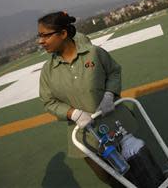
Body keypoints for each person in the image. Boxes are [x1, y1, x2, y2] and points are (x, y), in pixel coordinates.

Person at [38, 11, 137, 188]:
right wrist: (73, 113)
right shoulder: (48, 71)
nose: (40, 41)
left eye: (45, 35)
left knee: (139, 166)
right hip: (85, 137)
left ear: (63, 34)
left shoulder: (94, 53)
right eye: (39, 36)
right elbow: (49, 101)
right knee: (109, 177)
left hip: (115, 123)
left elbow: (114, 71)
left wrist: (109, 94)